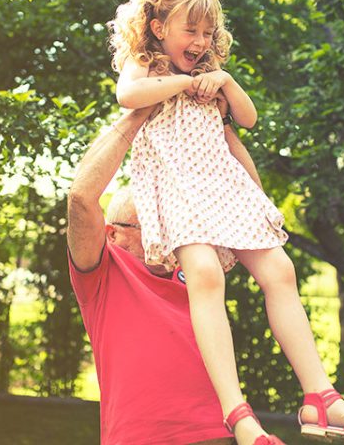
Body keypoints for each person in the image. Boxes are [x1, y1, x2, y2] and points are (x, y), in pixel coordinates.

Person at [106, 0, 344, 445]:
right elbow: (127, 94)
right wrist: (179, 84)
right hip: (177, 190)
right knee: (206, 275)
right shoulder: (148, 65)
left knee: (281, 272)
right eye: (188, 31)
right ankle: (238, 414)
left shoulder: (208, 75)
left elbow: (248, 118)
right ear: (159, 29)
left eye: (206, 33)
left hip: (224, 188)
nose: (198, 41)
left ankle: (320, 396)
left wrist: (224, 79)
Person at [67, 103, 237, 445]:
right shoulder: (102, 275)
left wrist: (217, 119)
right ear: (113, 234)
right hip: (140, 438)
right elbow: (81, 198)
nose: (166, 232)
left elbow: (247, 201)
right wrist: (141, 111)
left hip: (216, 433)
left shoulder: (196, 264)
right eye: (151, 223)